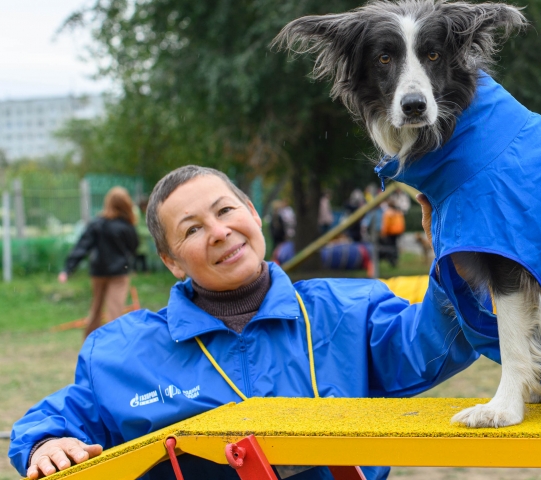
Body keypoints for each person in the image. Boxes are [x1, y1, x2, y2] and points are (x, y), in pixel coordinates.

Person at [10, 165, 479, 480]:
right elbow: (54, 419)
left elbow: (431, 346)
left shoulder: (348, 310)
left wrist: (460, 268)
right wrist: (45, 443)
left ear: (253, 215)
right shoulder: (122, 352)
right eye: (192, 229)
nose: (218, 232)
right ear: (172, 261)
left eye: (226, 210)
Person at [58, 186, 140, 339]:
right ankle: (112, 349)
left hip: (98, 273)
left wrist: (67, 269)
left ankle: (89, 347)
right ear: (126, 204)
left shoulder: (97, 224)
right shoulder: (128, 227)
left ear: (107, 203)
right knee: (114, 312)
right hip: (119, 274)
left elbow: (82, 246)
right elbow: (134, 247)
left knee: (95, 310)